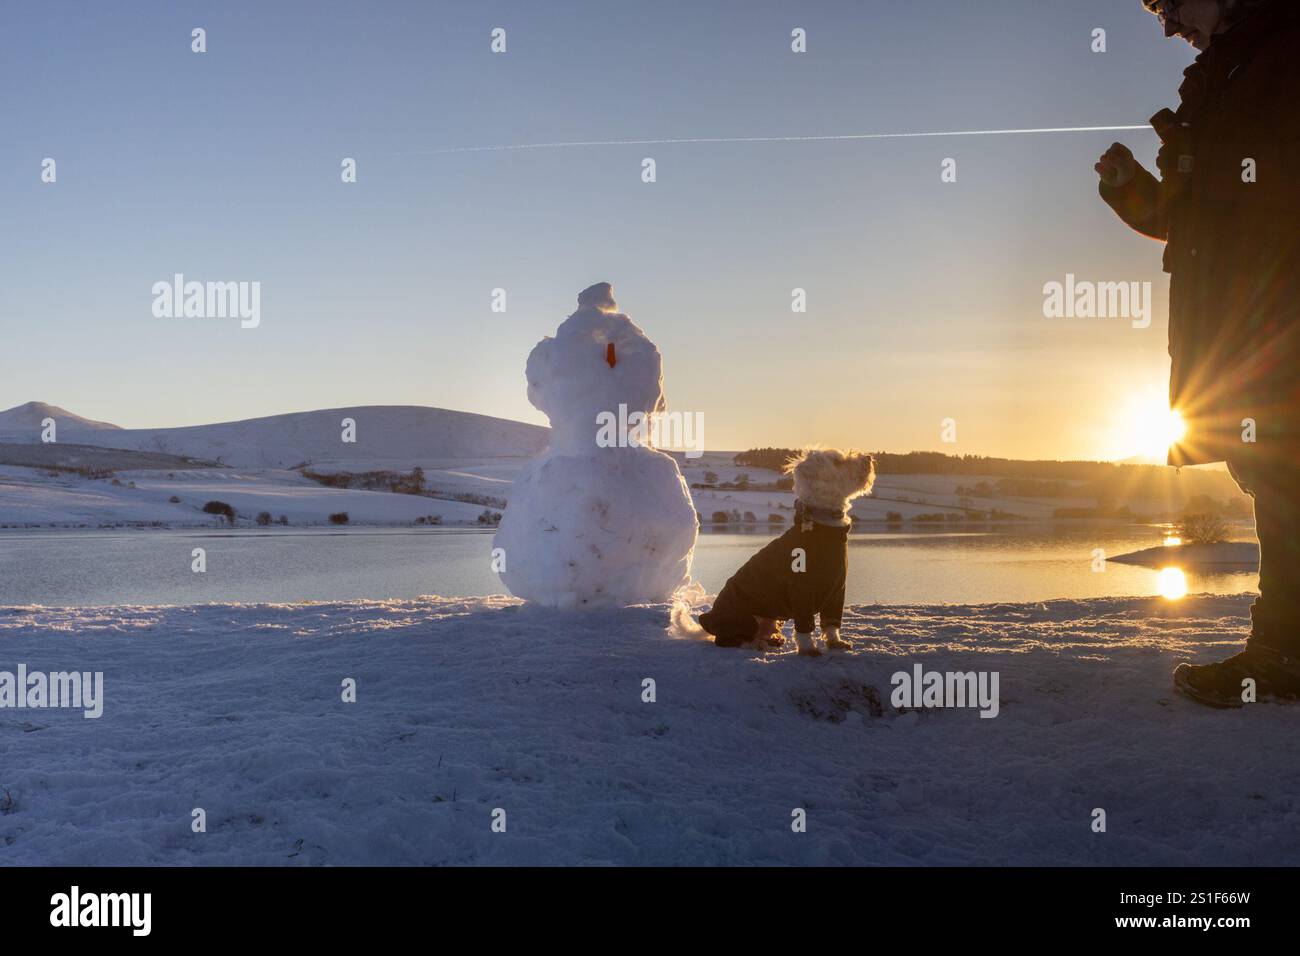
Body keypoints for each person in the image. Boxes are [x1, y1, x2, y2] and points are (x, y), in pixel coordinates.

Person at [1096, 0, 1300, 706]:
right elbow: (1192, 212)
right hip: (1226, 312)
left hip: (1278, 299)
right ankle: (1281, 652)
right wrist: (1131, 192)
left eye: (1172, 3)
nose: (1167, 23)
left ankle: (1280, 656)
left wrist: (1200, 161)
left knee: (1280, 470)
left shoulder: (1285, 49)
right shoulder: (1212, 77)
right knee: (1262, 469)